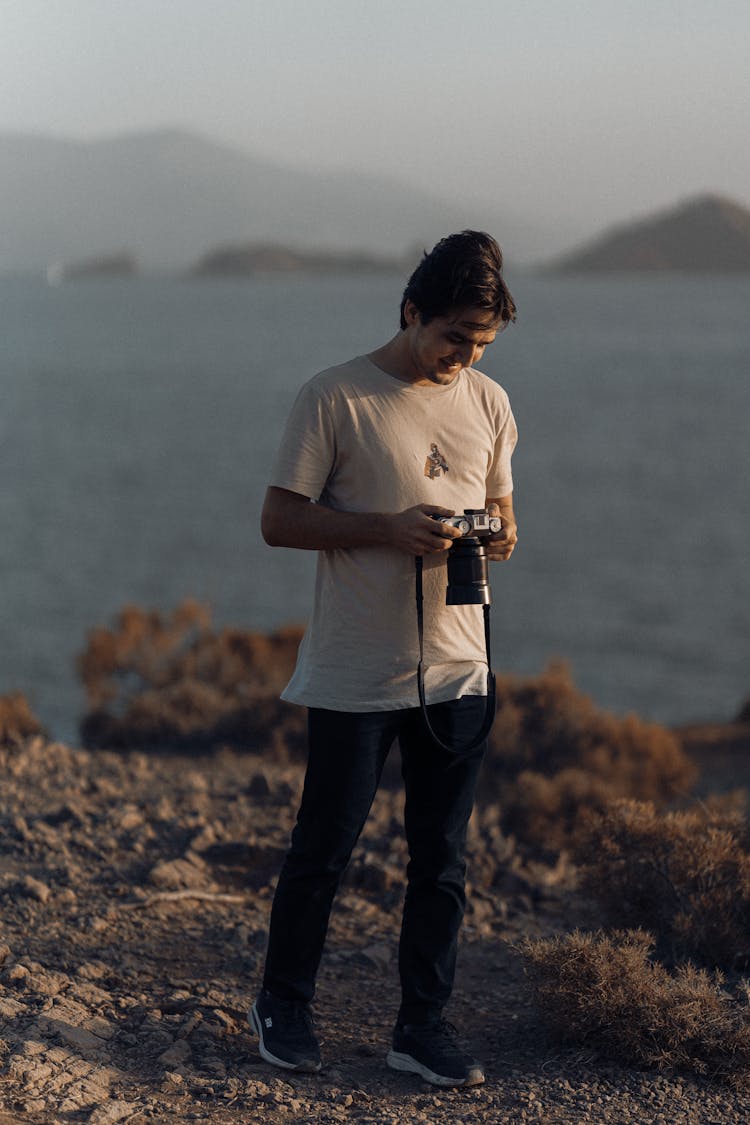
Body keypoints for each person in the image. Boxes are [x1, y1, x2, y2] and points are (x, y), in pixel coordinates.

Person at [250, 230, 518, 1088]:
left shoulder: (490, 401)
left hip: (460, 668)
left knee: (442, 861)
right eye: (453, 338)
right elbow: (279, 519)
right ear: (411, 311)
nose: (464, 357)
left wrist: (501, 533)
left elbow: (501, 506)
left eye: (481, 344)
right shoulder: (334, 397)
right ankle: (283, 1006)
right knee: (325, 848)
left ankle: (421, 1027)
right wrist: (386, 529)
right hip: (357, 672)